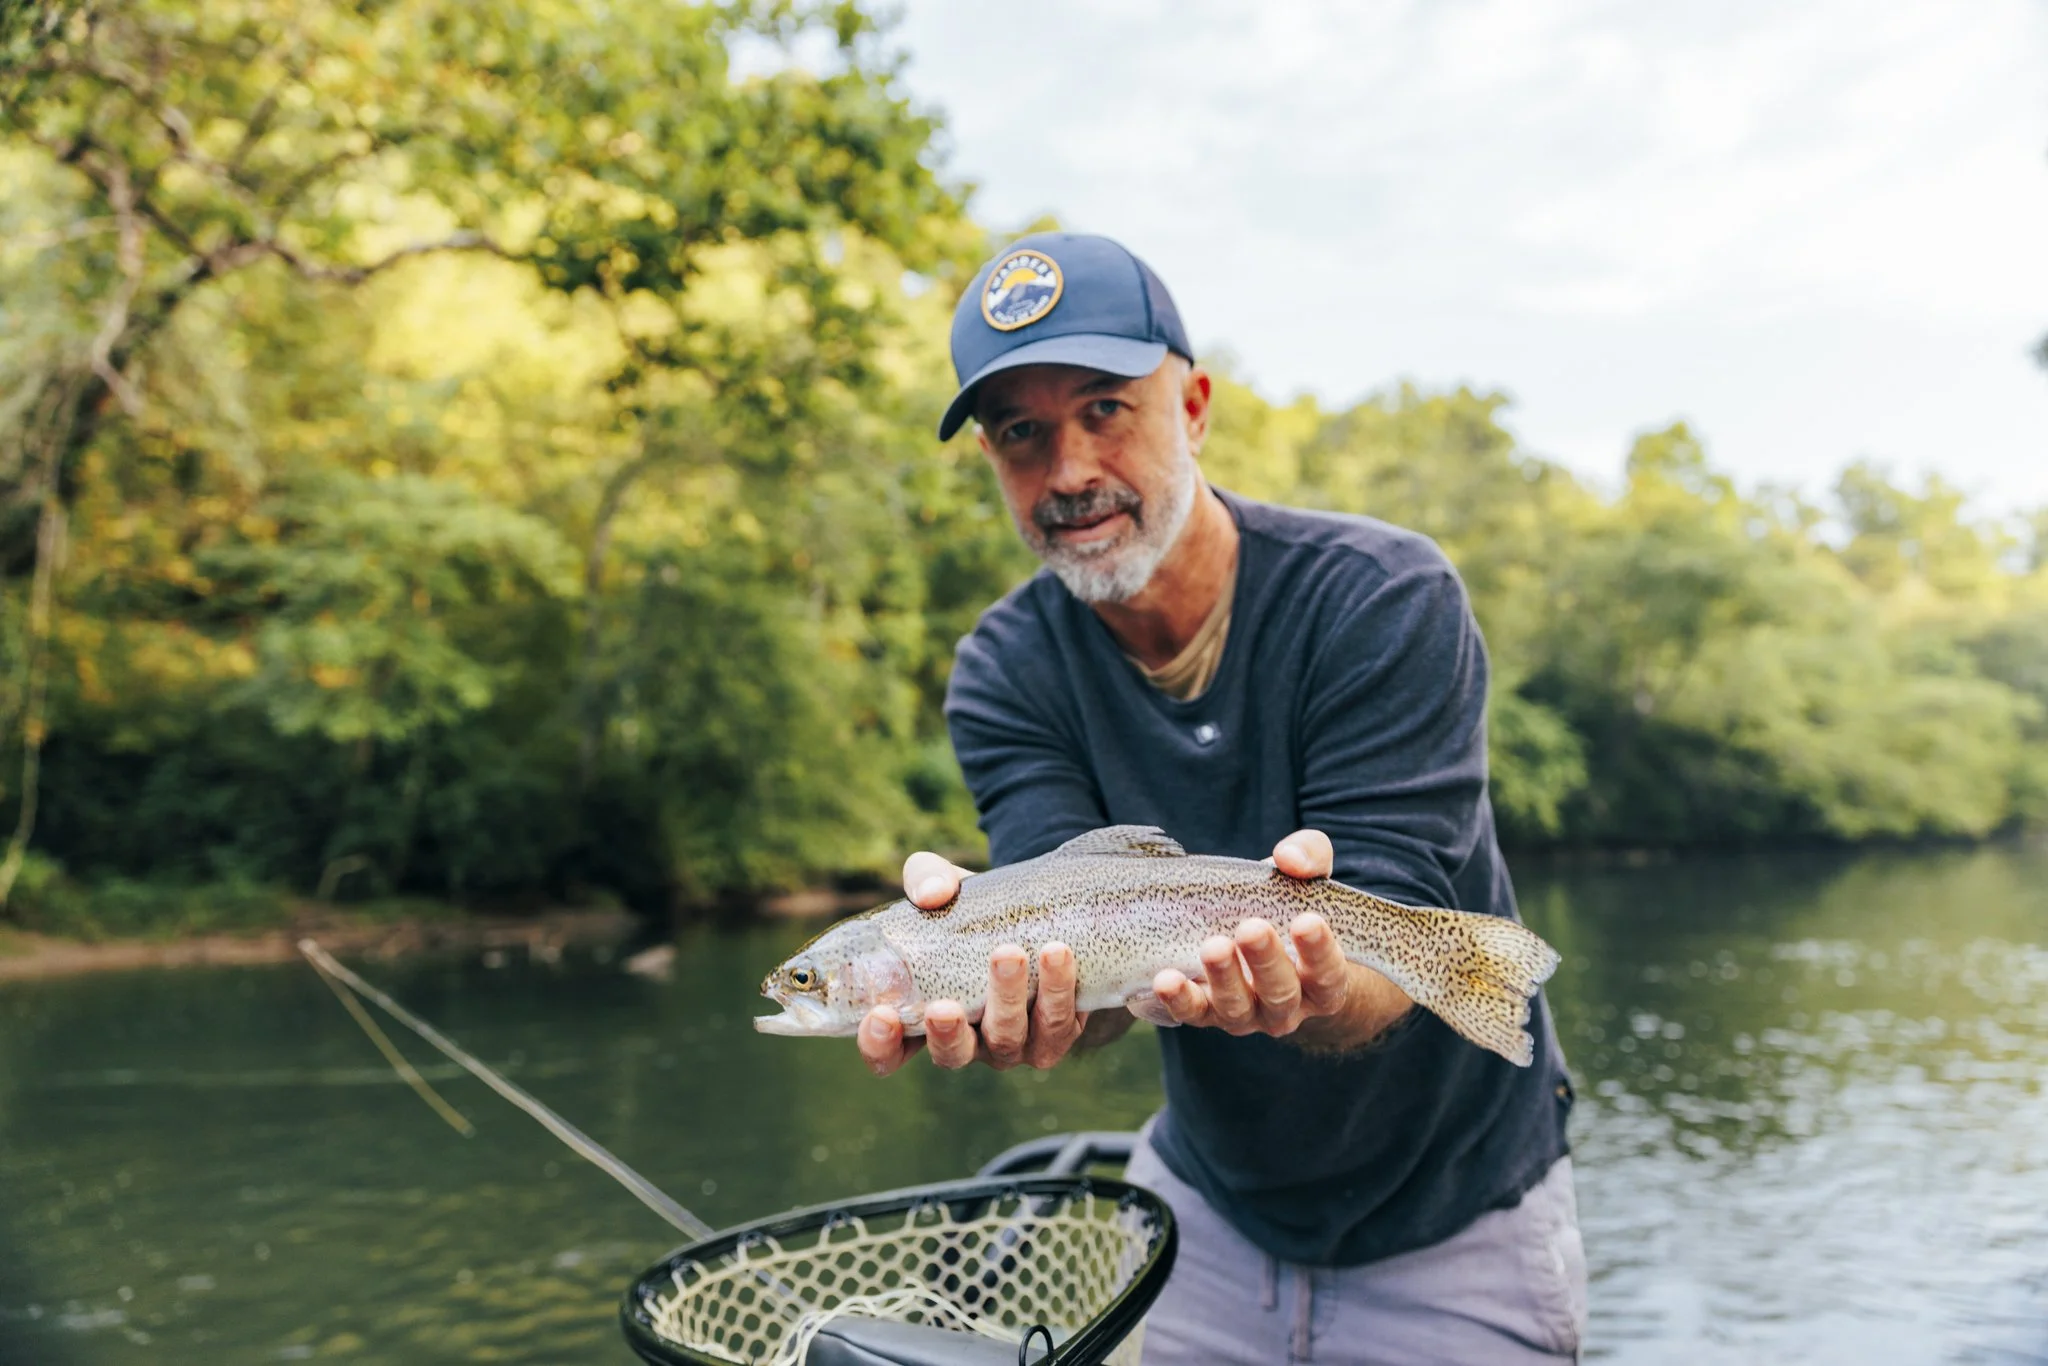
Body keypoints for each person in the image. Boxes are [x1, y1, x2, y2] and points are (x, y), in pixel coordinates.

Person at [857, 231, 1586, 1364]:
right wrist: (1014, 989)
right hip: (1206, 1203)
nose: (1067, 472)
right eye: (1021, 433)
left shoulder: (1380, 598)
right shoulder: (1002, 670)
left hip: (1457, 1208)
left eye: (1106, 409)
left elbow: (1389, 938)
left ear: (1191, 405)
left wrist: (1320, 973)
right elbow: (1083, 964)